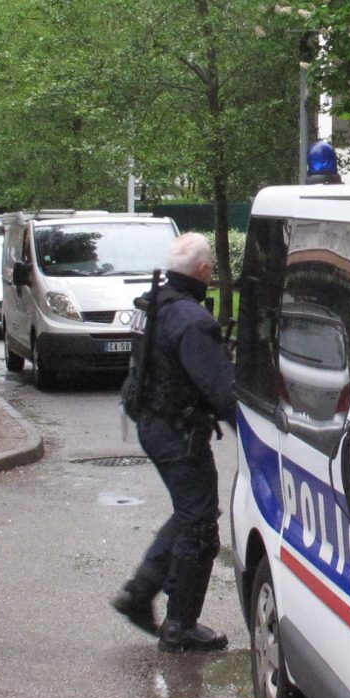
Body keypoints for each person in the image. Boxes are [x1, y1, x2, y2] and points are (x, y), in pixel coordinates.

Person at [111, 232, 238, 652]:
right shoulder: (191, 319)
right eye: (211, 267)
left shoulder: (156, 304)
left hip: (153, 423)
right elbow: (222, 391)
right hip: (178, 432)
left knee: (190, 513)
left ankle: (139, 592)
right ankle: (180, 625)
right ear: (203, 270)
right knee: (199, 526)